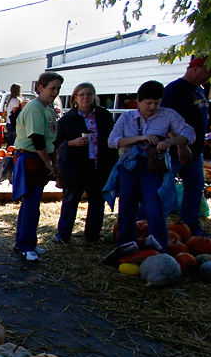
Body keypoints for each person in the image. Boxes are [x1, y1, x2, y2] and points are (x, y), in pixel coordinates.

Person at [108, 80, 194, 252]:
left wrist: (171, 141)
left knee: (154, 208)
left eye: (156, 103)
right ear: (138, 101)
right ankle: (125, 246)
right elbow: (112, 141)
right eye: (148, 103)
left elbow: (189, 133)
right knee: (126, 209)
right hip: (130, 167)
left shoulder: (167, 115)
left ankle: (160, 248)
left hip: (153, 167)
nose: (153, 107)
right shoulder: (127, 118)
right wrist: (141, 138)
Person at [54, 82, 117, 243]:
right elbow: (57, 143)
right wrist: (72, 143)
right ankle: (63, 234)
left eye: (89, 94)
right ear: (75, 98)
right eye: (81, 95)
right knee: (70, 201)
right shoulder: (68, 120)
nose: (85, 98)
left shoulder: (104, 116)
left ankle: (92, 235)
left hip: (98, 165)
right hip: (76, 167)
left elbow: (112, 140)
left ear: (94, 96)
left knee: (97, 202)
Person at [12, 72, 63, 262]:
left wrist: (53, 161)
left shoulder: (48, 109)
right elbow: (37, 138)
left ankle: (26, 242)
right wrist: (48, 164)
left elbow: (52, 139)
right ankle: (25, 245)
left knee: (32, 205)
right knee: (31, 205)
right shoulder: (34, 108)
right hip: (31, 159)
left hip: (42, 158)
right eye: (52, 88)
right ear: (40, 87)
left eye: (58, 89)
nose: (55, 92)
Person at [163, 57, 211, 236]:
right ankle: (147, 225)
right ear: (194, 68)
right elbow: (167, 120)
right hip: (176, 152)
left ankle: (190, 228)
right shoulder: (174, 90)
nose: (210, 75)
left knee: (194, 189)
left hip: (195, 152)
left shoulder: (199, 91)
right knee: (163, 191)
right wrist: (179, 145)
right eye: (207, 71)